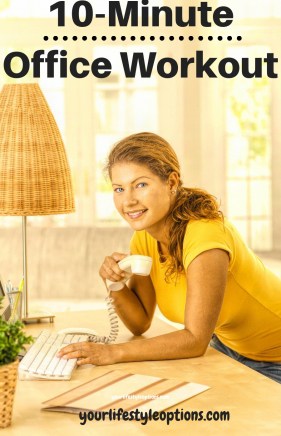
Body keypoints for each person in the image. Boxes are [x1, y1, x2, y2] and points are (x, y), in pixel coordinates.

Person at [58, 132, 281, 383]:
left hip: (275, 358)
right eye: (119, 189)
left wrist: (112, 352)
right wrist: (115, 283)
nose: (128, 201)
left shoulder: (204, 235)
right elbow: (140, 322)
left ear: (172, 182)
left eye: (140, 185)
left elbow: (195, 340)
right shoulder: (144, 238)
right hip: (230, 349)